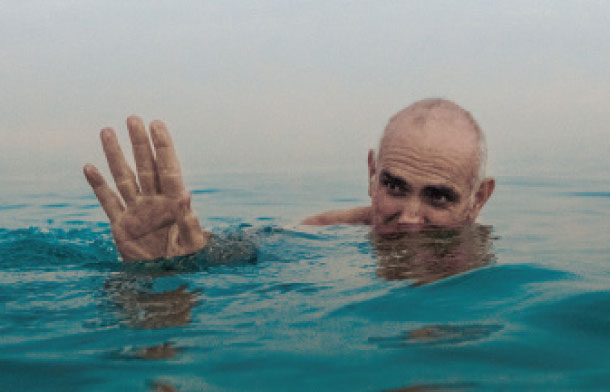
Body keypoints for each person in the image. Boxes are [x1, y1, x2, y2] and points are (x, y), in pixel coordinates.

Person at [84, 99, 496, 262]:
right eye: (395, 187)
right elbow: (250, 248)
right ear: (372, 175)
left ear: (478, 200)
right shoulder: (324, 232)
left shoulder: (480, 263)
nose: (409, 218)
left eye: (438, 198)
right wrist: (179, 263)